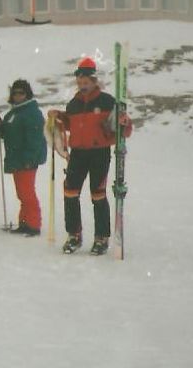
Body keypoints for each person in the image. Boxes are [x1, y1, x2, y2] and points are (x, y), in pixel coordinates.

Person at [47, 57, 132, 256]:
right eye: (80, 82)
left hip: (99, 153)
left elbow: (124, 130)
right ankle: (74, 234)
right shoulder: (74, 103)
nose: (82, 86)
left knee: (98, 194)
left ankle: (101, 237)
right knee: (70, 191)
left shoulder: (107, 101)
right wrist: (58, 115)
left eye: (86, 82)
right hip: (78, 153)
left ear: (94, 81)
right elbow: (70, 124)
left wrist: (123, 123)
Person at [0, 79, 46, 236]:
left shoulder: (31, 112)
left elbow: (35, 139)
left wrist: (29, 158)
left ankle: (34, 224)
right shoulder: (14, 113)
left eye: (21, 93)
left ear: (27, 94)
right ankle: (24, 223)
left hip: (26, 160)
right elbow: (5, 134)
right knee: (22, 193)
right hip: (17, 159)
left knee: (27, 192)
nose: (17, 96)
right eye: (14, 93)